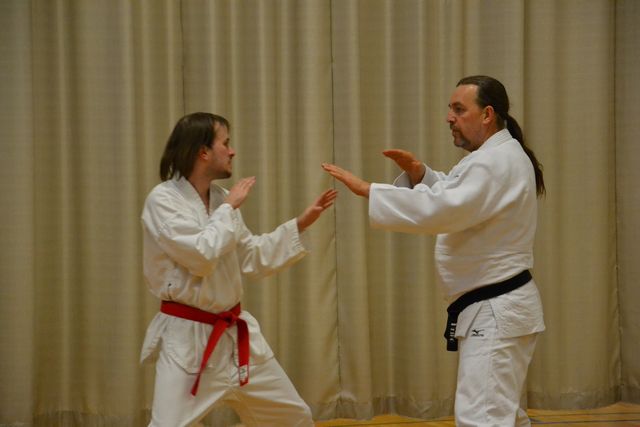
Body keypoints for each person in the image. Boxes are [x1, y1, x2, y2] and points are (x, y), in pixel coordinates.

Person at [322, 75, 546, 427]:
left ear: (487, 114)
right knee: (499, 416)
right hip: (497, 308)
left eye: (459, 109)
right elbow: (458, 196)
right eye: (450, 109)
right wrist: (420, 174)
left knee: (483, 419)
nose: (449, 118)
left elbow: (445, 208)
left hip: (496, 310)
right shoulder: (495, 157)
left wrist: (370, 190)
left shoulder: (495, 161)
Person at [140, 112, 337, 427]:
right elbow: (201, 256)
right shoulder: (163, 200)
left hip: (235, 336)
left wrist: (300, 224)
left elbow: (251, 257)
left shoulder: (219, 199)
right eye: (225, 143)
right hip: (189, 341)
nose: (232, 151)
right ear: (203, 152)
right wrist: (230, 208)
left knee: (292, 418)